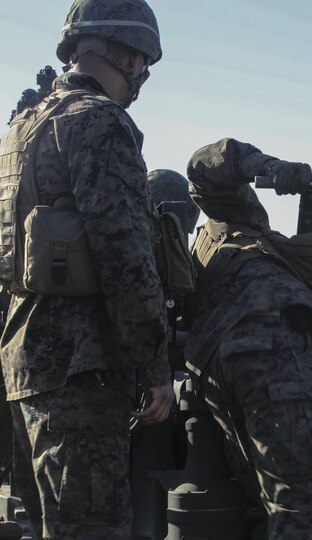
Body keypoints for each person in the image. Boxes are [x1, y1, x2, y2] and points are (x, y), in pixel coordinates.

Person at [0, 1, 173, 538]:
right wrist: (154, 366)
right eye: (141, 63)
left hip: (23, 362)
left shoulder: (20, 130)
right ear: (123, 52)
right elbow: (124, 254)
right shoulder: (100, 122)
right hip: (83, 366)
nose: (141, 77)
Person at [183, 138, 312, 539]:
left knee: (266, 501)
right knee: (302, 506)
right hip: (274, 352)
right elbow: (203, 167)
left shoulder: (199, 255)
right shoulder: (228, 224)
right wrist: (269, 167)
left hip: (216, 366)